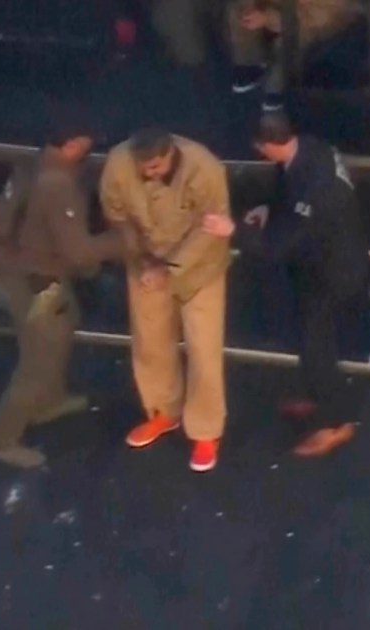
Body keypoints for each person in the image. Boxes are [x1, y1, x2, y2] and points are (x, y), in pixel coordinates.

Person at [203, 112, 364, 456]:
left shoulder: (313, 184)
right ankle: (317, 395)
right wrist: (267, 209)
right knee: (308, 335)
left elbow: (278, 245)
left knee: (316, 345)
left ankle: (335, 422)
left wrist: (234, 230)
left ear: (267, 145)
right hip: (319, 262)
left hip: (331, 271)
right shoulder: (311, 151)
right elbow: (288, 197)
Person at [0, 110, 131, 468]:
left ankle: (49, 401)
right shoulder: (58, 185)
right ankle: (0, 439)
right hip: (40, 280)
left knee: (65, 325)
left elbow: (3, 217)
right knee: (38, 361)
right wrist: (121, 241)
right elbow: (79, 252)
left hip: (17, 269)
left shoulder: (29, 165)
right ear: (73, 145)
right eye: (87, 143)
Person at [99, 128, 232, 472]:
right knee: (150, 341)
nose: (149, 172)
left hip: (200, 268)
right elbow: (117, 216)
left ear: (170, 153)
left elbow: (211, 228)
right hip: (145, 262)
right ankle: (163, 412)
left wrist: (170, 268)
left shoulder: (205, 168)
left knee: (203, 348)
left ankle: (205, 431)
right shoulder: (118, 163)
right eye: (143, 167)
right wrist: (142, 259)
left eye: (155, 166)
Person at [227, 0, 363, 111]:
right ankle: (251, 62)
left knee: (292, 38)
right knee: (240, 8)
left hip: (316, 23)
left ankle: (279, 86)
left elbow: (308, 19)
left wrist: (267, 18)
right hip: (281, 12)